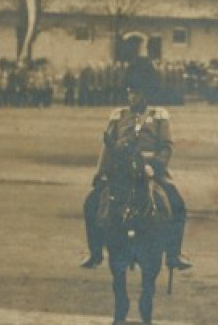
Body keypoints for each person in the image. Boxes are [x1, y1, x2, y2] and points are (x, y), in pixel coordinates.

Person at [82, 57, 192, 271]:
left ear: (146, 93)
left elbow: (167, 147)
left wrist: (155, 167)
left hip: (152, 170)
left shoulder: (159, 115)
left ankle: (173, 254)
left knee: (177, 205)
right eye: (129, 92)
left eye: (136, 93)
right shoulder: (117, 115)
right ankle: (95, 252)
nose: (131, 97)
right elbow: (107, 148)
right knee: (91, 203)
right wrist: (101, 173)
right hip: (121, 171)